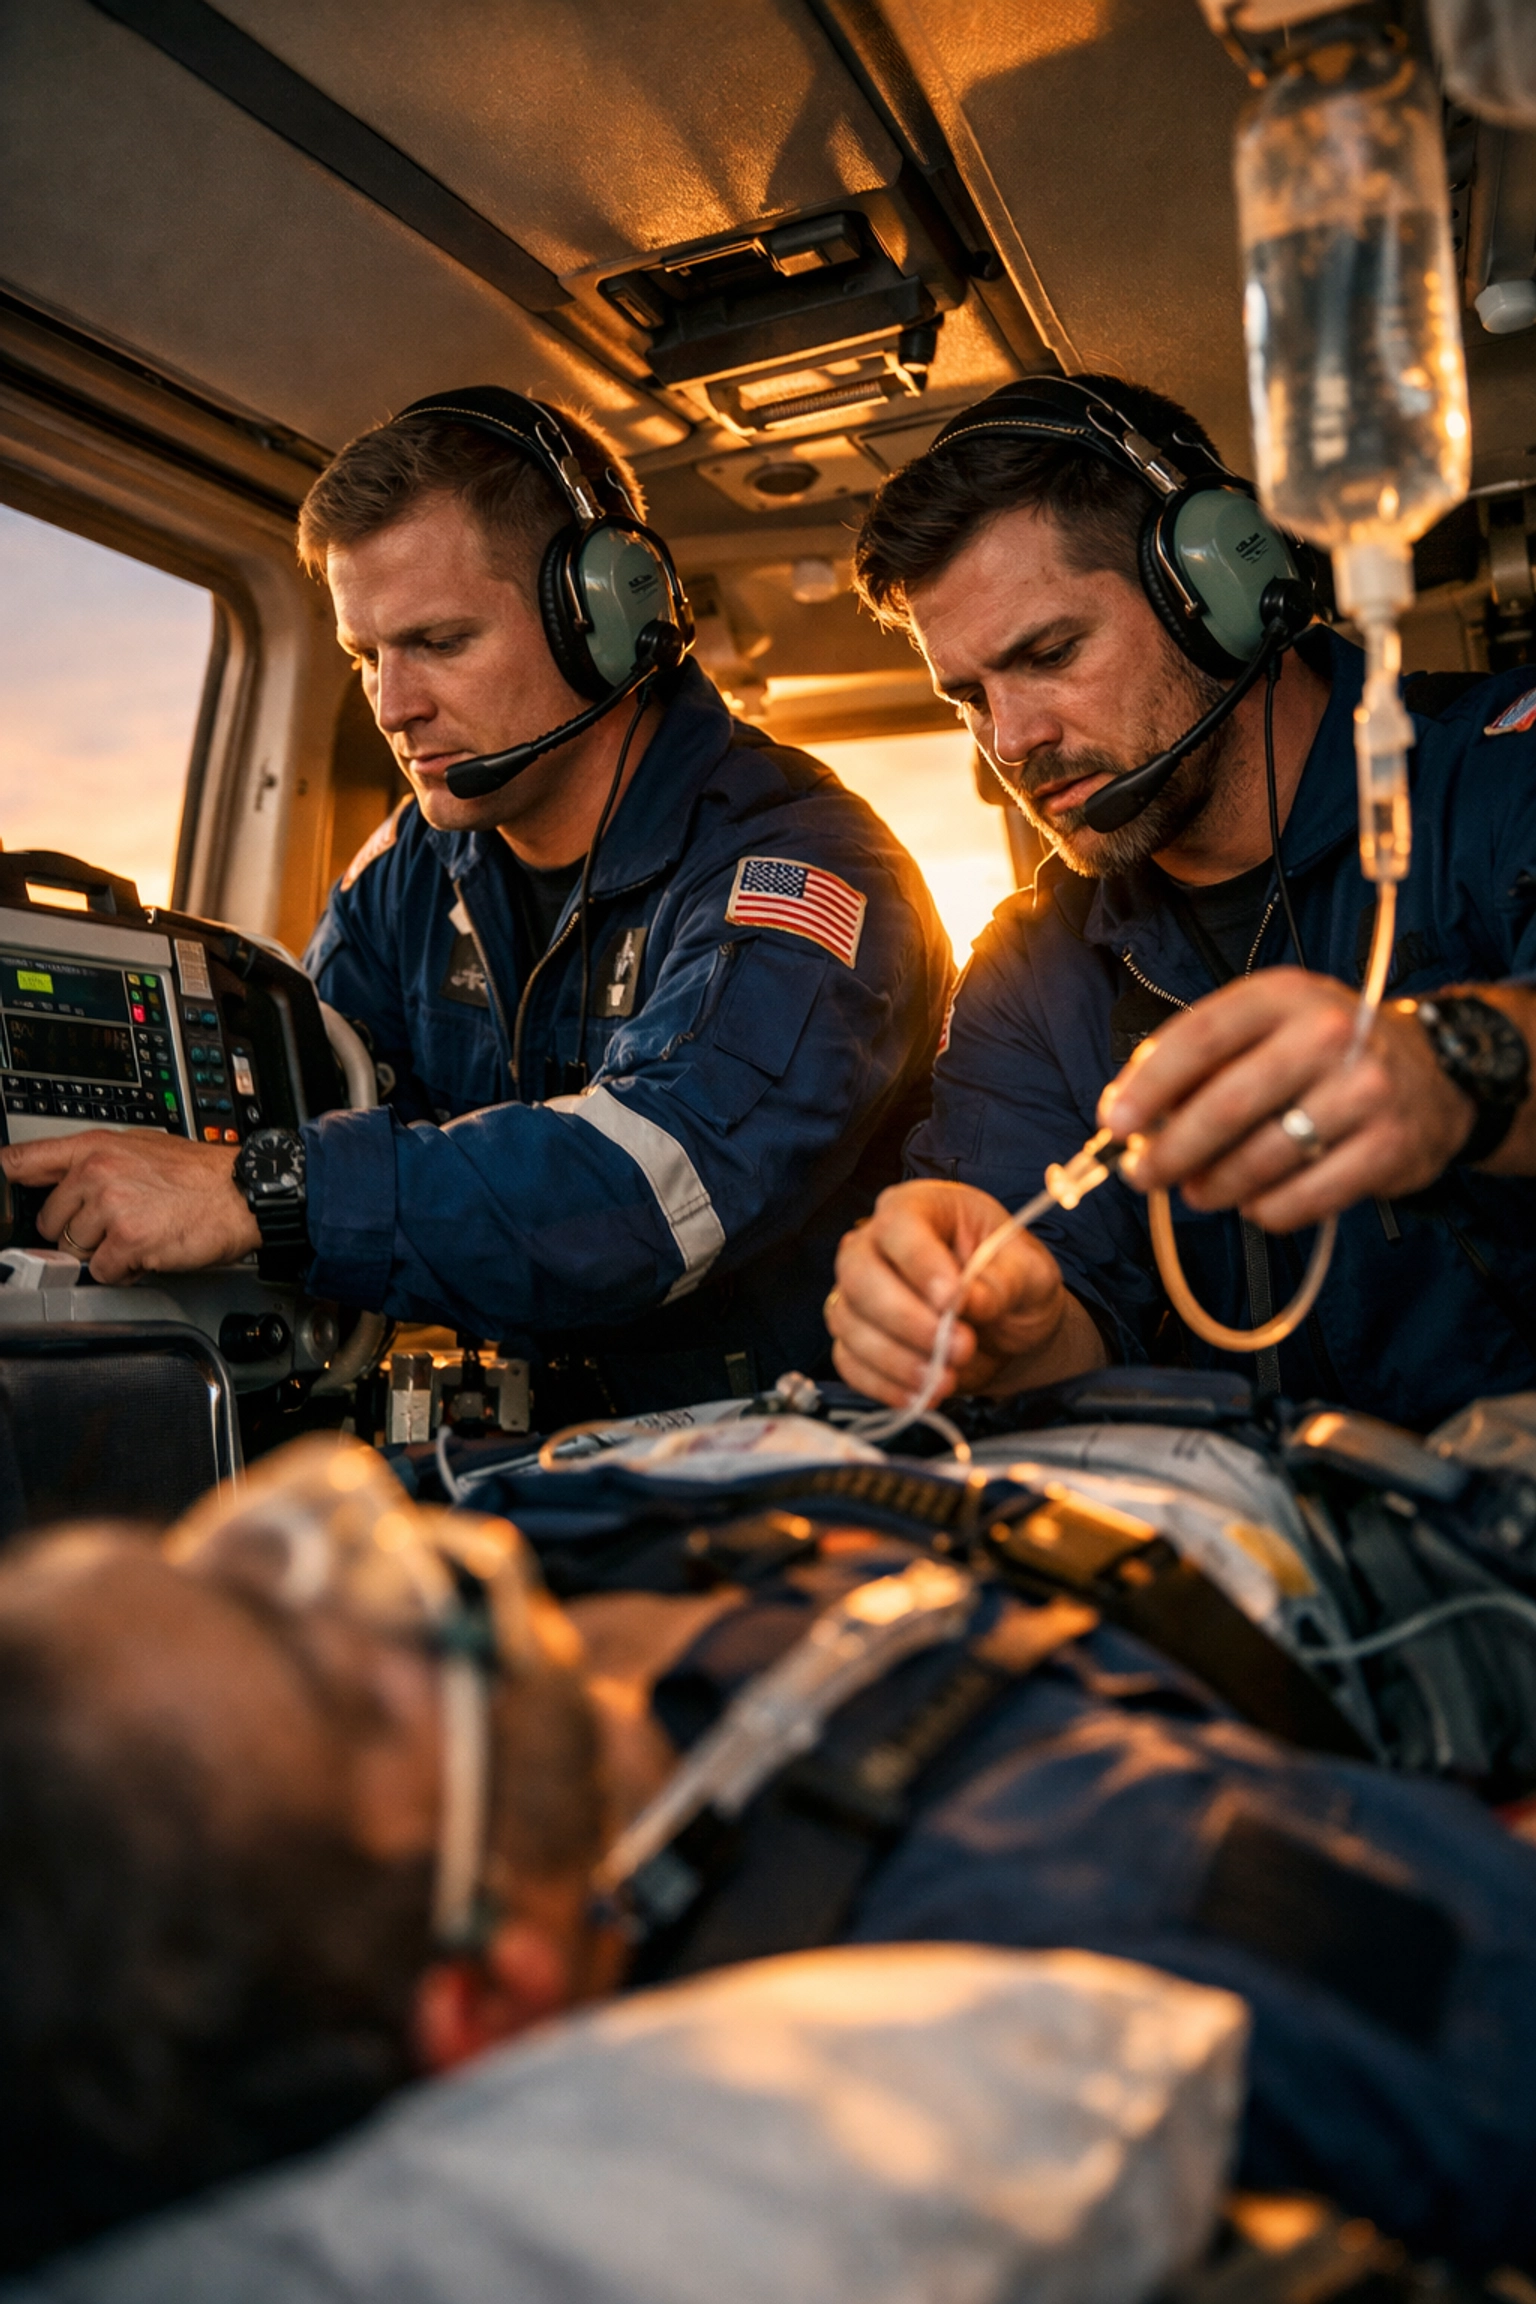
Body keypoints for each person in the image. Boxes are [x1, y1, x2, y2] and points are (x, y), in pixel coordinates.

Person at [0, 1438, 1534, 2277]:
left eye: (205, 1555)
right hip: (1370, 1517)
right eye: (315, 1664)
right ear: (485, 1997)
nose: (341, 1537)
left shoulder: (524, 1538)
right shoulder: (1114, 1909)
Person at [0, 390, 950, 1419]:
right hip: (502, 1443)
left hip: (783, 1458)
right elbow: (316, 1102)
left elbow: (664, 1185)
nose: (394, 708)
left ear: (599, 620)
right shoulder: (413, 868)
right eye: (367, 658)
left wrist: (257, 1192)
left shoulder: (804, 869)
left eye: (440, 642)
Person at [826, 375, 1536, 1434]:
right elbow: (1065, 1312)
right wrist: (999, 1326)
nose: (1010, 740)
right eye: (969, 698)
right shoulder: (1029, 973)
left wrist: (1450, 1068)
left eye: (1050, 654)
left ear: (1215, 588)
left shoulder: (1500, 777)